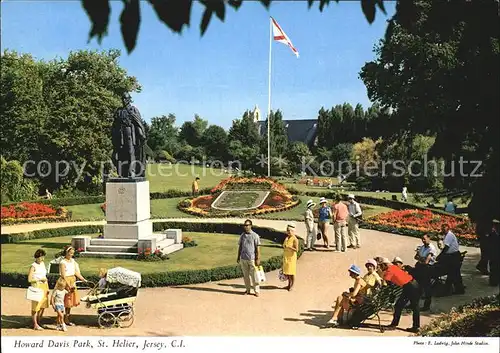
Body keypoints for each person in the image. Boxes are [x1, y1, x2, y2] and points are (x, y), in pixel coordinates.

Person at [379, 258, 420, 333]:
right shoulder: (393, 267)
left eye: (381, 266)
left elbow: (388, 285)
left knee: (402, 306)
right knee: (413, 307)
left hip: (409, 286)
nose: (381, 268)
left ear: (385, 265)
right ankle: (416, 327)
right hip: (413, 284)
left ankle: (395, 325)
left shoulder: (389, 270)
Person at [59, 246, 87, 326]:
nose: (71, 255)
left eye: (72, 253)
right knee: (63, 302)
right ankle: (60, 320)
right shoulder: (62, 262)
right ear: (66, 253)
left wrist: (83, 279)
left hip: (72, 281)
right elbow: (64, 275)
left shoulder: (72, 261)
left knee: (69, 302)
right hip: (65, 282)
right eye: (70, 253)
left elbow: (75, 272)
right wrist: (68, 285)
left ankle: (67, 319)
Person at [436, 224, 465, 295]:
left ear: (447, 229)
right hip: (453, 255)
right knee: (455, 273)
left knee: (453, 272)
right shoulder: (447, 235)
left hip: (453, 256)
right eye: (442, 229)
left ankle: (450, 289)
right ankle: (458, 289)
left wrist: (440, 256)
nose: (443, 230)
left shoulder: (449, 235)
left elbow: (446, 248)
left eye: (444, 229)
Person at [237, 220, 261, 297]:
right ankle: (248, 290)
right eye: (245, 225)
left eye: (247, 225)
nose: (246, 227)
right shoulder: (242, 235)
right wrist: (238, 256)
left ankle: (256, 291)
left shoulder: (255, 236)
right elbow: (240, 246)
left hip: (252, 259)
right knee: (246, 276)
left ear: (251, 226)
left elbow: (258, 248)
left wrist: (258, 259)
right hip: (243, 258)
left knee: (254, 276)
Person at [414, 234, 438, 310]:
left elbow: (426, 261)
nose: (423, 240)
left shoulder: (431, 248)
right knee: (418, 286)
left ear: (429, 238)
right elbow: (416, 256)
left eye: (424, 239)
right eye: (422, 239)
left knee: (426, 287)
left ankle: (426, 305)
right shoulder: (422, 247)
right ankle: (414, 303)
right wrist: (422, 258)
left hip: (427, 269)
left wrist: (421, 258)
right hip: (420, 267)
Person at [28, 249, 49, 330]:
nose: (42, 259)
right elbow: (29, 279)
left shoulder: (42, 264)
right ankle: (35, 324)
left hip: (44, 286)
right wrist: (39, 280)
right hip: (37, 287)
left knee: (43, 306)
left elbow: (44, 276)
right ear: (37, 257)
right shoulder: (33, 266)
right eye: (41, 257)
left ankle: (39, 321)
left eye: (43, 257)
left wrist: (46, 286)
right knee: (35, 307)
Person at [282, 223, 299, 291]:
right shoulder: (287, 238)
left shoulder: (295, 239)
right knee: (288, 272)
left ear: (292, 231)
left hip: (292, 257)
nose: (288, 232)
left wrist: (289, 247)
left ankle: (292, 285)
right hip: (286, 256)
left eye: (289, 230)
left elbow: (296, 250)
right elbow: (284, 246)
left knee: (292, 272)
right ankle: (289, 284)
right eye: (287, 230)